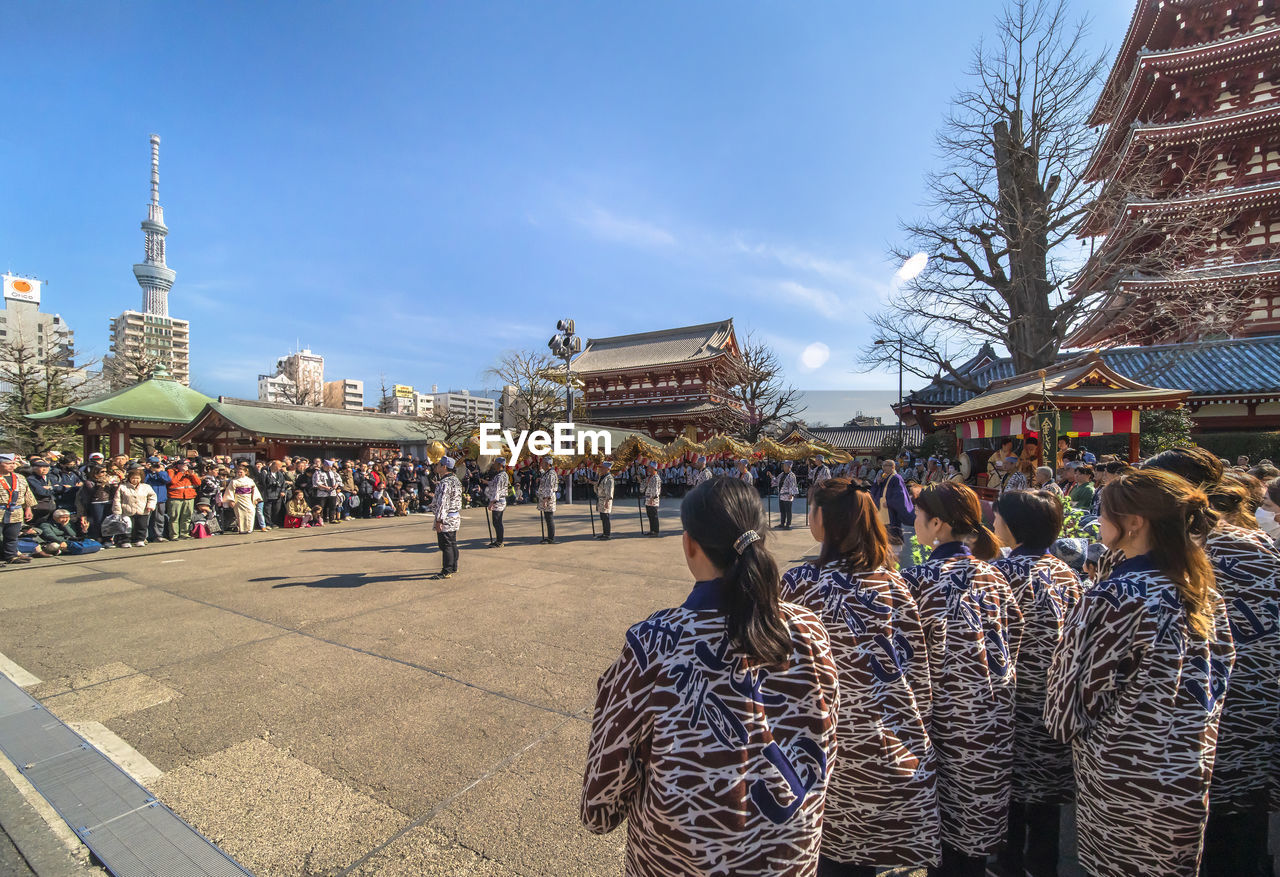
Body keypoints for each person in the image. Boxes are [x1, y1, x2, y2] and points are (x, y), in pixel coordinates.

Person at [581, 476, 839, 875]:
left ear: (689, 544)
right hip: (788, 858)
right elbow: (826, 734)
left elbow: (600, 800)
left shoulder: (655, 643)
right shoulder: (809, 630)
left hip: (681, 861)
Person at [1044, 468, 1234, 877]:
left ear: (1134, 523)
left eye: (1107, 513)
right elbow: (1221, 673)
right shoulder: (1202, 589)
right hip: (1188, 760)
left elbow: (1071, 697)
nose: (1101, 521)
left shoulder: (1115, 595)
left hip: (1122, 769)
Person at [782, 478, 939, 874]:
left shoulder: (801, 585)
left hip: (826, 757)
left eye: (811, 507)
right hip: (890, 747)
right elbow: (918, 674)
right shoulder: (895, 584)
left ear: (823, 520)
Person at [1141, 447, 1279, 876]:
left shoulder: (1172, 551)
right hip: (1261, 711)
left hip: (1196, 723)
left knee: (1197, 841)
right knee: (1243, 834)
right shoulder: (1256, 541)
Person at [900, 482, 1020, 877]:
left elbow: (908, 661)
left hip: (942, 724)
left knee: (943, 836)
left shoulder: (917, 581)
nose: (914, 522)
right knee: (973, 835)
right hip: (992, 717)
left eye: (918, 516)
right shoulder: (995, 577)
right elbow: (1013, 638)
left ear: (936, 524)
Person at [990, 490, 1082, 877]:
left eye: (997, 519)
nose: (993, 525)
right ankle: (1044, 865)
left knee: (1009, 798)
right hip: (1056, 703)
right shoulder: (1068, 573)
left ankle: (1007, 865)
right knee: (1046, 803)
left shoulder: (1000, 574)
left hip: (1013, 705)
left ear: (1014, 526)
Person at [871, 459, 915, 568]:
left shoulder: (896, 478)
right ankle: (884, 554)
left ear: (893, 467)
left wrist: (890, 503)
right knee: (882, 532)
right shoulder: (884, 477)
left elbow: (900, 496)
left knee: (893, 531)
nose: (883, 468)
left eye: (886, 466)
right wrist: (878, 482)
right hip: (882, 509)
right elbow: (876, 491)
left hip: (891, 510)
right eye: (883, 466)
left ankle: (895, 557)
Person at [430, 456, 462, 579]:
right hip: (454, 515)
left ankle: (446, 570)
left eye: (438, 465)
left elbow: (444, 502)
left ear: (444, 467)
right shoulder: (455, 480)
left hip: (446, 517)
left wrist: (439, 520)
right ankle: (453, 566)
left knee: (446, 544)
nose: (436, 467)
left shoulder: (445, 482)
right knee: (452, 543)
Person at [1, 453, 35, 564]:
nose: (11, 466)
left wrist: (28, 509)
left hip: (16, 511)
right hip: (1, 510)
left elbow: (27, 494)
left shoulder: (19, 477)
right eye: (8, 464)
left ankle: (11, 556)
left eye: (13, 463)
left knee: (12, 536)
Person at [222, 465, 262, 535]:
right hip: (239, 498)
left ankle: (249, 528)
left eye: (241, 472)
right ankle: (242, 529)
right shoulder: (234, 481)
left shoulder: (250, 480)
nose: (239, 474)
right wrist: (231, 500)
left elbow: (254, 490)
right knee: (240, 514)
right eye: (238, 472)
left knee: (251, 512)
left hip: (248, 498)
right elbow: (230, 491)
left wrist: (255, 498)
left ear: (245, 472)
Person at [166, 458, 200, 540]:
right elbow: (172, 481)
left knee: (187, 516)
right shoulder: (171, 471)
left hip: (189, 496)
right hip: (175, 496)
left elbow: (198, 483)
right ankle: (174, 535)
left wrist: (192, 474)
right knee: (174, 516)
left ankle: (184, 533)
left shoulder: (189, 472)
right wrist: (181, 473)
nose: (187, 466)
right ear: (179, 465)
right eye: (185, 465)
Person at [143, 456, 170, 542]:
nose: (154, 466)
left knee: (159, 518)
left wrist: (159, 471)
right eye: (152, 464)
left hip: (160, 498)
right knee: (146, 518)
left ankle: (158, 535)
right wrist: (148, 471)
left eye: (156, 464)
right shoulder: (144, 472)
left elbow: (167, 480)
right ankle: (144, 536)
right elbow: (143, 481)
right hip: (147, 499)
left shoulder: (162, 472)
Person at [484, 458, 508, 548]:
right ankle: (499, 540)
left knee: (497, 522)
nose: (493, 465)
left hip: (498, 501)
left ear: (500, 465)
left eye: (496, 463)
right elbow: (493, 484)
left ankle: (499, 541)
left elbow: (497, 490)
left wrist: (491, 502)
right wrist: (486, 482)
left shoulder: (500, 476)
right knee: (497, 522)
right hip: (499, 501)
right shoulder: (501, 475)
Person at [536, 457, 559, 544]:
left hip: (548, 499)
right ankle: (549, 536)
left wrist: (545, 500)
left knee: (549, 518)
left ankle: (551, 538)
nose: (542, 464)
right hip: (544, 497)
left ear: (548, 464)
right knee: (547, 517)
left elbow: (550, 487)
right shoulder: (547, 473)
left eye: (543, 463)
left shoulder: (551, 474)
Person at [774, 460, 798, 530]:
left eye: (785, 465)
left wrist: (791, 494)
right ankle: (782, 523)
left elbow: (793, 485)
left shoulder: (791, 475)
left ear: (789, 467)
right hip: (781, 495)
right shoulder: (782, 474)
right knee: (782, 510)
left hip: (788, 495)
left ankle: (788, 524)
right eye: (783, 465)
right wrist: (771, 476)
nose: (783, 467)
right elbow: (776, 481)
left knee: (788, 510)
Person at [594, 460, 614, 540]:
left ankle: (607, 534)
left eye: (603, 468)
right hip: (601, 499)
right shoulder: (602, 477)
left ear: (607, 469)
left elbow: (609, 491)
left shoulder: (609, 478)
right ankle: (604, 533)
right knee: (602, 517)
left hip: (605, 500)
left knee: (606, 517)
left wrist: (607, 501)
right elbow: (598, 487)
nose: (601, 469)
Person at [642, 461, 661, 536]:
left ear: (653, 468)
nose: (648, 469)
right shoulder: (649, 477)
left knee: (654, 515)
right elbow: (643, 485)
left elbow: (655, 489)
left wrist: (652, 498)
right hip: (648, 498)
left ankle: (655, 531)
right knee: (650, 515)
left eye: (649, 468)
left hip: (653, 499)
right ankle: (652, 530)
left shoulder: (656, 478)